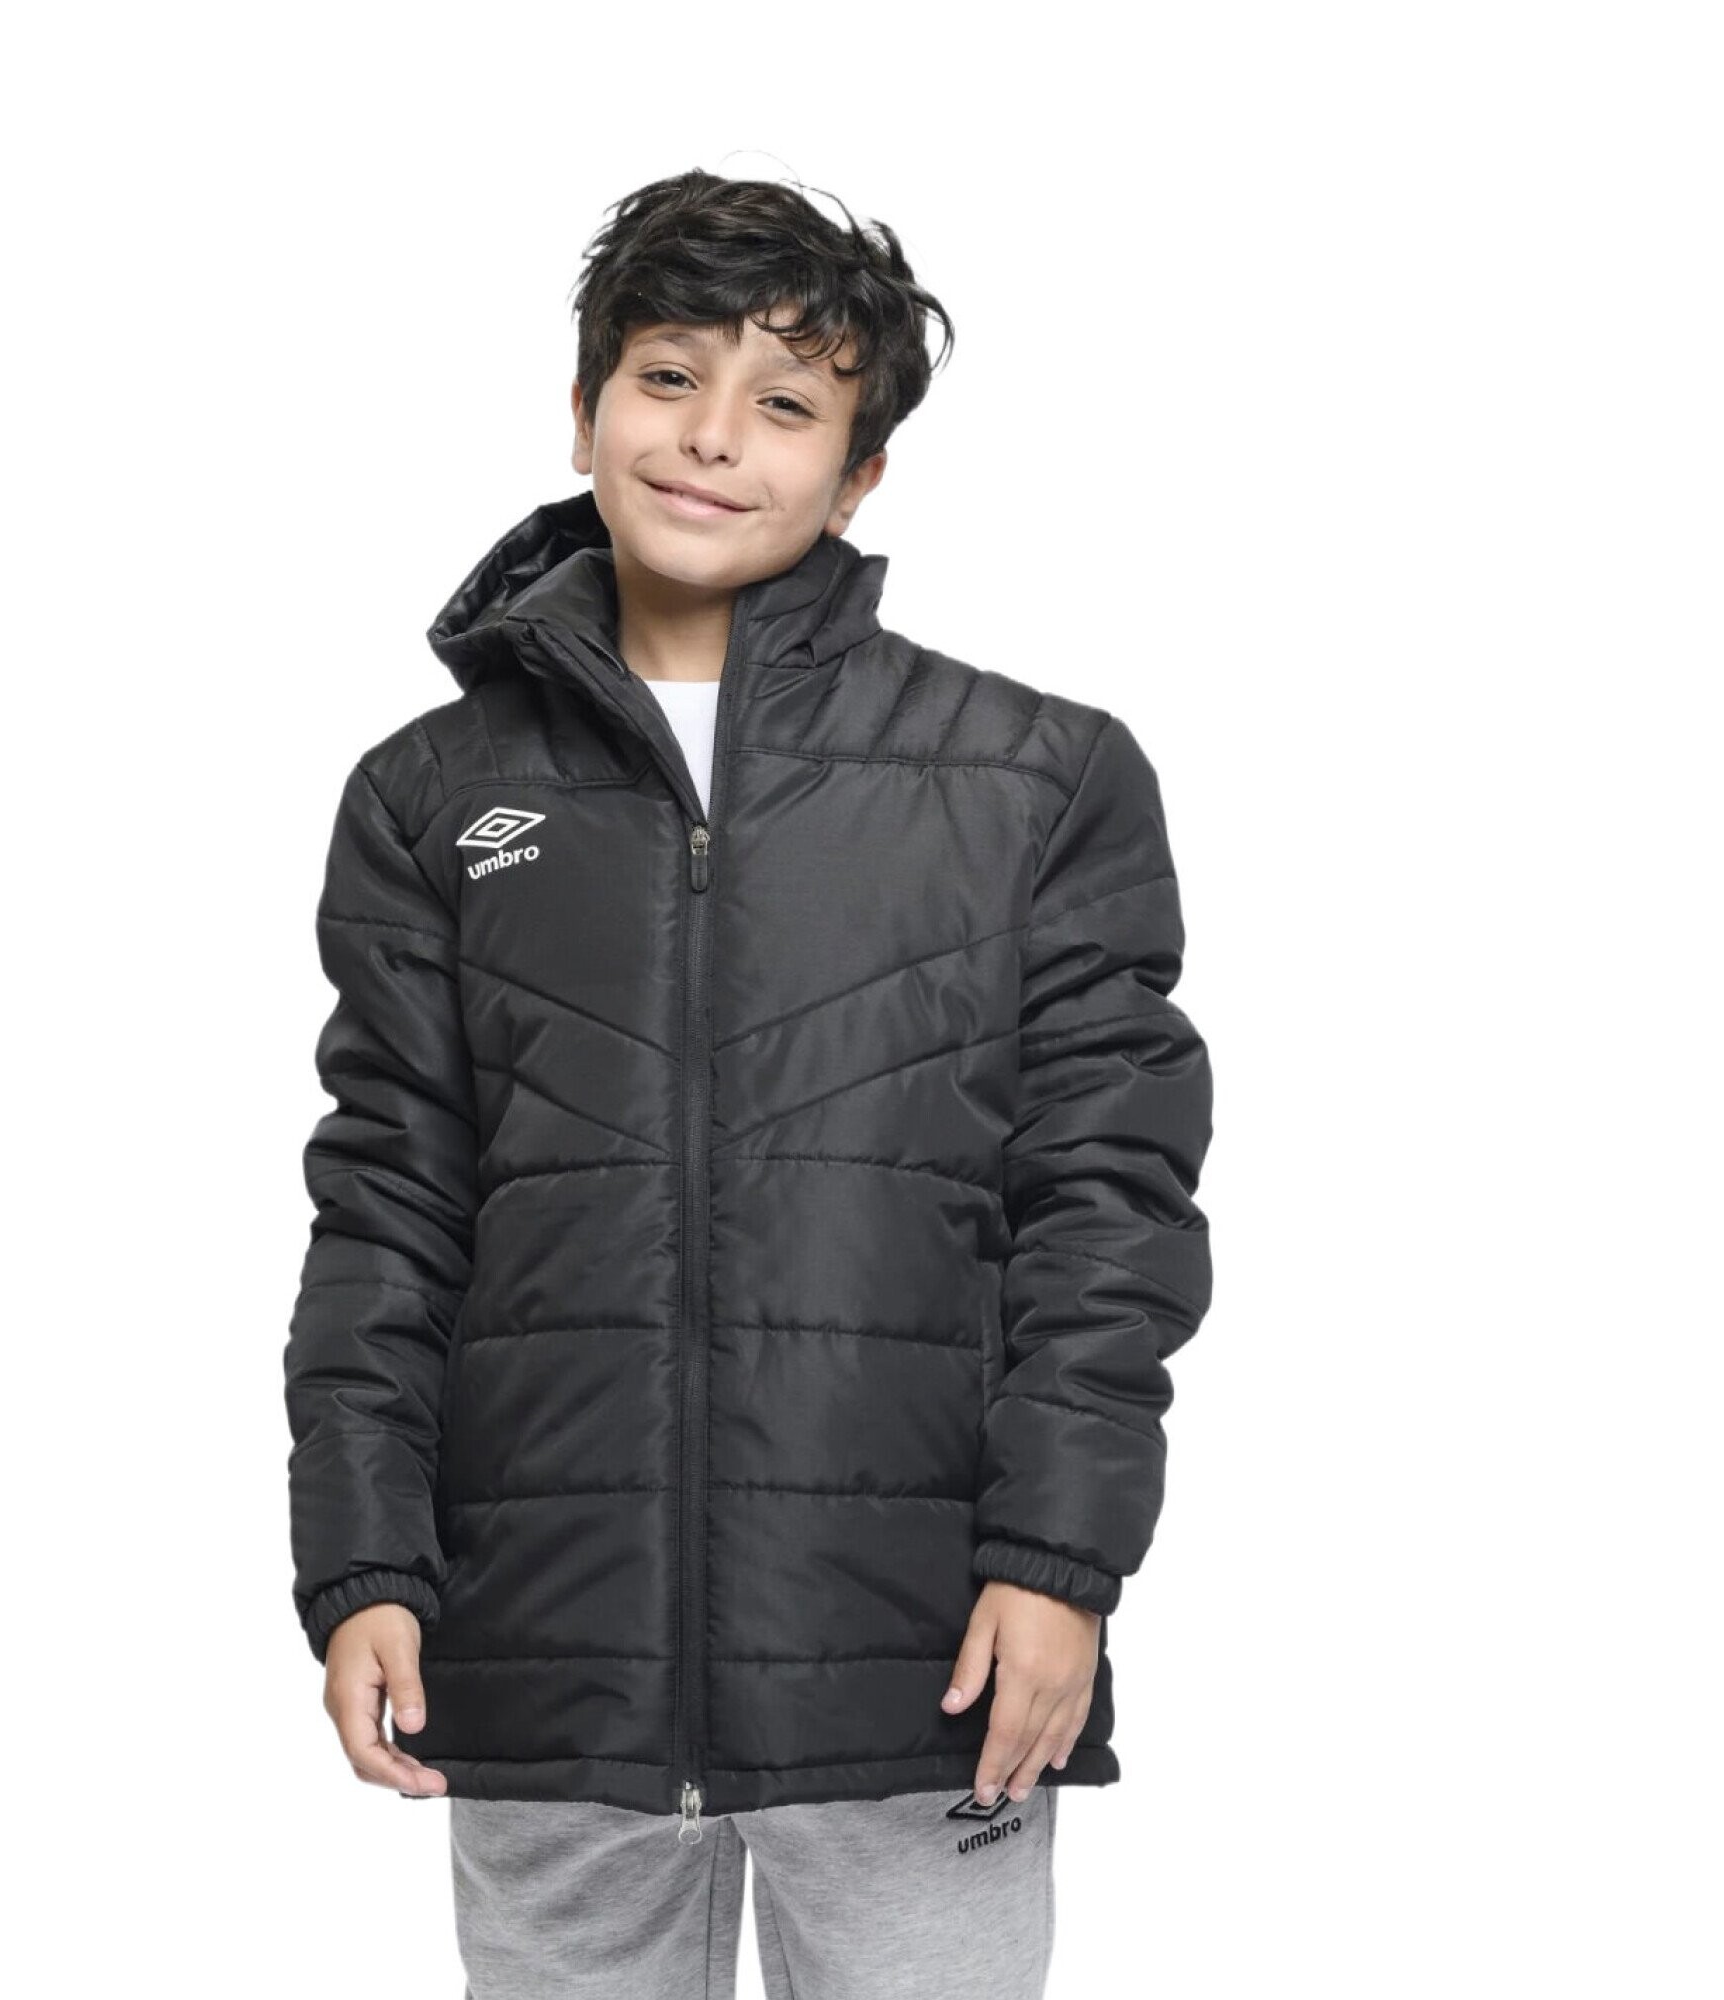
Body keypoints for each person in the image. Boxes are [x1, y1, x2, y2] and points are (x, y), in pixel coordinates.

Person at [282, 167, 1215, 1999]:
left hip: (923, 1661)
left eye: (785, 403)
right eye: (666, 378)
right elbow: (386, 1207)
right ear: (583, 412)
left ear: (860, 474)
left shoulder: (1035, 779)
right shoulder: (430, 796)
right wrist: (362, 1561)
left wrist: (1061, 1563)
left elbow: (1108, 1217)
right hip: (547, 1661)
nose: (713, 438)